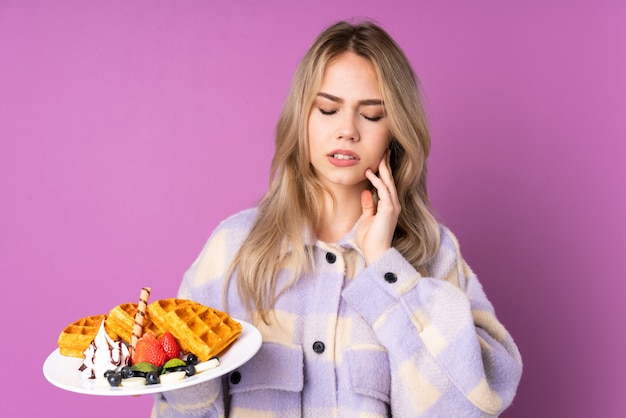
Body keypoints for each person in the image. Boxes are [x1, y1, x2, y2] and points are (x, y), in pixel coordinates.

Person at [152, 20, 522, 417]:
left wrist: (384, 267)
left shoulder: (433, 255)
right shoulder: (234, 249)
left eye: (372, 115)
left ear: (395, 132)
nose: (347, 130)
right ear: (302, 118)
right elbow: (180, 409)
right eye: (328, 109)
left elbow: (468, 406)